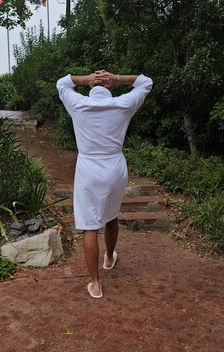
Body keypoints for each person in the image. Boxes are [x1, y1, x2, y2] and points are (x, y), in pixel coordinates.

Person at [56, 70, 153, 299]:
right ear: (109, 91)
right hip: (114, 168)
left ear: (91, 91)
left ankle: (96, 284)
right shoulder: (122, 104)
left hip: (89, 169)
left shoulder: (79, 104)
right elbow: (146, 82)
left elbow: (62, 83)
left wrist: (84, 79)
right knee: (111, 216)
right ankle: (109, 258)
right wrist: (118, 79)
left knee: (90, 226)